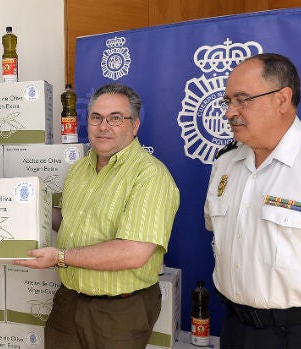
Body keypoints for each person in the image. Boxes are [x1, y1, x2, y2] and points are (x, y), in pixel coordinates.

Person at [15, 83, 180, 349]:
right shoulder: (79, 169)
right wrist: (22, 208)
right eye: (96, 117)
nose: (104, 126)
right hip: (68, 301)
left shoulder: (150, 176)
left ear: (135, 125)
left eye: (115, 118)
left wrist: (59, 257)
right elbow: (65, 222)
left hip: (119, 311)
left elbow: (133, 252)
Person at [205, 53, 301, 348]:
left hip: (300, 335)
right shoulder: (225, 163)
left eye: (243, 99)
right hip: (234, 327)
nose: (230, 112)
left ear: (282, 99)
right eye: (227, 101)